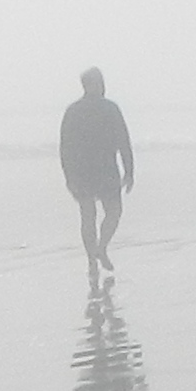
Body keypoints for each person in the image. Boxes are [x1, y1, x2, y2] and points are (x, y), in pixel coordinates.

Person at [57, 67, 136, 266]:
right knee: (105, 212)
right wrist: (129, 170)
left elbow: (65, 148)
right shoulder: (107, 108)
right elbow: (123, 140)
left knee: (95, 214)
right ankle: (98, 251)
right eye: (100, 82)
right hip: (101, 170)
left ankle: (95, 254)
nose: (102, 86)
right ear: (93, 84)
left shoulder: (74, 110)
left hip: (88, 172)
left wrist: (69, 177)